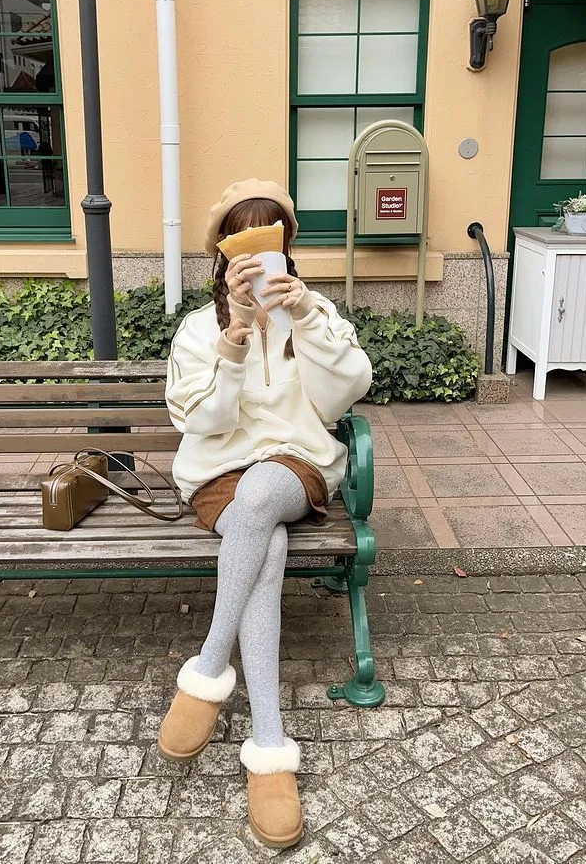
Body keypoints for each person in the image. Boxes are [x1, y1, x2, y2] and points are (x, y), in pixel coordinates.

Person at [158, 179, 372, 848]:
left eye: (270, 234)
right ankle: (270, 747)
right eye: (241, 240)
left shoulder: (313, 311)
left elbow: (345, 393)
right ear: (222, 255)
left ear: (286, 246)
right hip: (218, 473)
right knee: (267, 546)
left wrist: (304, 316)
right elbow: (199, 421)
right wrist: (234, 340)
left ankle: (207, 668)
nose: (255, 254)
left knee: (260, 499)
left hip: (292, 465)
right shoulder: (201, 329)